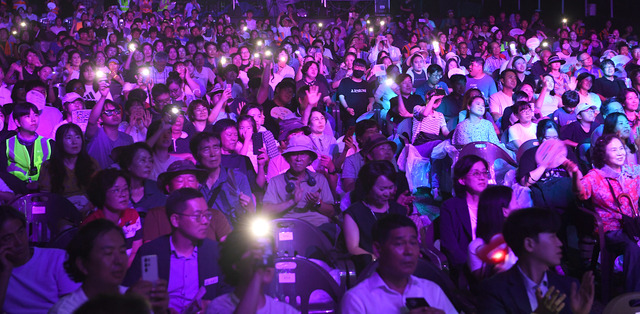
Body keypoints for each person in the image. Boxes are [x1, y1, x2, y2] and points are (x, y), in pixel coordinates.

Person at [124, 188, 230, 313]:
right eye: (197, 216)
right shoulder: (151, 253)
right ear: (175, 220)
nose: (205, 221)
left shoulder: (216, 252)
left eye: (207, 215)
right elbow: (132, 298)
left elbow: (228, 293)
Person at [476, 207, 594, 314]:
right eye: (552, 236)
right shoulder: (494, 290)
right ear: (529, 244)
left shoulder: (568, 286)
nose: (560, 243)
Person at [341, 214, 457, 313]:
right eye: (399, 244)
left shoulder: (431, 290)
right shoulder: (357, 299)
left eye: (413, 243)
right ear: (377, 249)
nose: (409, 251)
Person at [51, 219, 169, 314]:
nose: (119, 260)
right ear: (82, 264)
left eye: (122, 251)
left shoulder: (136, 297)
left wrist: (160, 311)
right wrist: (126, 306)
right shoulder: (66, 310)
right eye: (108, 253)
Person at [570, 134, 640, 292]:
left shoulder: (632, 172)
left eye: (621, 148)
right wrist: (575, 174)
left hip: (635, 226)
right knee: (634, 245)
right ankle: (634, 298)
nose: (620, 153)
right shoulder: (595, 176)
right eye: (614, 150)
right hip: (612, 230)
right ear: (603, 154)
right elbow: (580, 192)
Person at [0, 205, 80, 313]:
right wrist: (5, 273)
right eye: (8, 238)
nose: (18, 242)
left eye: (20, 232)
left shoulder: (57, 259)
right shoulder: (3, 271)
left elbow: (76, 306)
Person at [206, 225, 299, 314]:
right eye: (257, 254)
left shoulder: (285, 311)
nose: (264, 261)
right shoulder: (219, 307)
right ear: (236, 264)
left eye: (269, 254)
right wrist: (257, 273)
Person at [262, 134, 336, 236]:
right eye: (294, 154)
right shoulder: (276, 181)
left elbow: (331, 212)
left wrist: (317, 202)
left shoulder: (320, 179)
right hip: (286, 230)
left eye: (303, 154)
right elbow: (266, 211)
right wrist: (292, 202)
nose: (299, 159)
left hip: (316, 228)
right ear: (287, 158)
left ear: (310, 159)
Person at [143, 160, 232, 243]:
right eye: (179, 181)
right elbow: (150, 253)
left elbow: (229, 250)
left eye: (191, 180)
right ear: (168, 188)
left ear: (197, 185)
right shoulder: (156, 215)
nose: (186, 185)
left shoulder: (215, 216)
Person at [343, 161, 408, 264]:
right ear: (368, 187)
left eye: (390, 188)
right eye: (382, 189)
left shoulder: (399, 210)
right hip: (370, 266)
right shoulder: (354, 213)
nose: (387, 193)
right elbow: (353, 248)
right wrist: (376, 259)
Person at [440, 155, 490, 284]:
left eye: (484, 172)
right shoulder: (450, 207)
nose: (482, 177)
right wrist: (471, 269)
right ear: (462, 180)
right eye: (476, 173)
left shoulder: (492, 203)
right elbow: (450, 246)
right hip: (465, 269)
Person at [191, 132, 254, 225]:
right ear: (196, 155)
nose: (213, 154)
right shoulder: (192, 181)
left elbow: (250, 218)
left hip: (232, 236)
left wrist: (250, 209)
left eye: (216, 148)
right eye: (206, 149)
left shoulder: (238, 178)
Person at [84, 169, 143, 266]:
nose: (123, 194)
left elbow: (135, 252)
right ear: (102, 194)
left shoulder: (132, 216)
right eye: (116, 190)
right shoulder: (91, 225)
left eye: (125, 189)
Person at [39, 123, 99, 214]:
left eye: (78, 137)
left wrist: (90, 205)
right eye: (68, 138)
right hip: (62, 211)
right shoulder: (49, 166)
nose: (74, 142)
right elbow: (45, 194)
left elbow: (100, 188)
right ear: (60, 142)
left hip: (88, 209)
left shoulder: (91, 163)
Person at [467, 185, 518, 281]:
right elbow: (481, 284)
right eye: (516, 202)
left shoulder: (523, 236)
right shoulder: (477, 247)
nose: (520, 206)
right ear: (505, 211)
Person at [2, 102, 53, 194]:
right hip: (16, 193)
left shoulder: (49, 143)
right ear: (17, 122)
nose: (33, 120)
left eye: (36, 115)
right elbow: (3, 174)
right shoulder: (6, 144)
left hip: (45, 192)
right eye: (27, 116)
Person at [86, 85, 134, 169]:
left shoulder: (128, 139)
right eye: (109, 112)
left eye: (117, 111)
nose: (115, 114)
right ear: (100, 118)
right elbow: (91, 121)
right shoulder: (96, 135)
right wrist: (103, 96)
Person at [117, 143, 167, 215]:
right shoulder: (117, 190)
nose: (148, 165)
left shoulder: (156, 189)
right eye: (142, 160)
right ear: (128, 164)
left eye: (150, 161)